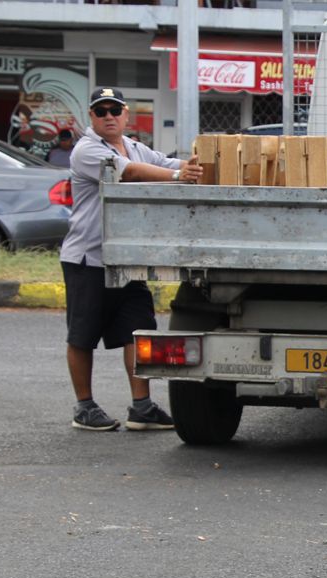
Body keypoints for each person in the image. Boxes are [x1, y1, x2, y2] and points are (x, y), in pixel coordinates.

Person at [61, 87, 203, 431]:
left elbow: (162, 162)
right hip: (88, 259)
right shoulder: (88, 150)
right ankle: (84, 407)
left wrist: (196, 166)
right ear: (91, 118)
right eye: (101, 111)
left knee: (136, 332)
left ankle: (141, 407)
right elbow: (129, 173)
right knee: (82, 336)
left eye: (115, 110)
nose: (109, 116)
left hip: (125, 258)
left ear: (126, 114)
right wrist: (177, 176)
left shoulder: (135, 146)